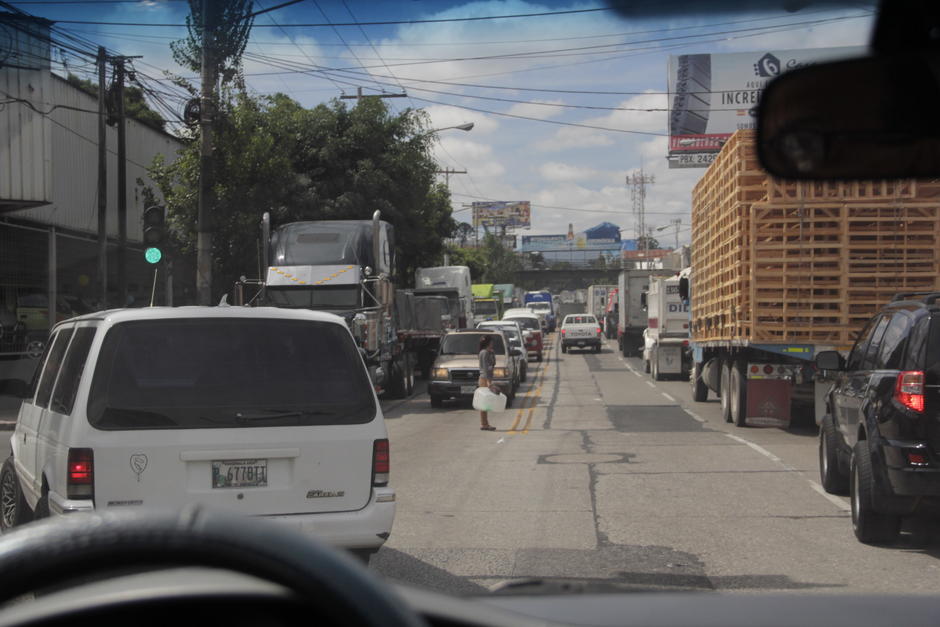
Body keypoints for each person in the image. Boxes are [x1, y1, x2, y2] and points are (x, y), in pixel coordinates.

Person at [478, 335, 497, 431]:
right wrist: (489, 382)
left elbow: (493, 364)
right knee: (484, 403)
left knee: (485, 402)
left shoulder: (487, 352)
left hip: (486, 378)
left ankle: (484, 423)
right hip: (485, 379)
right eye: (491, 342)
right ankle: (484, 424)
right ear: (488, 343)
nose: (492, 343)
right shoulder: (484, 353)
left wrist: (492, 354)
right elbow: (486, 369)